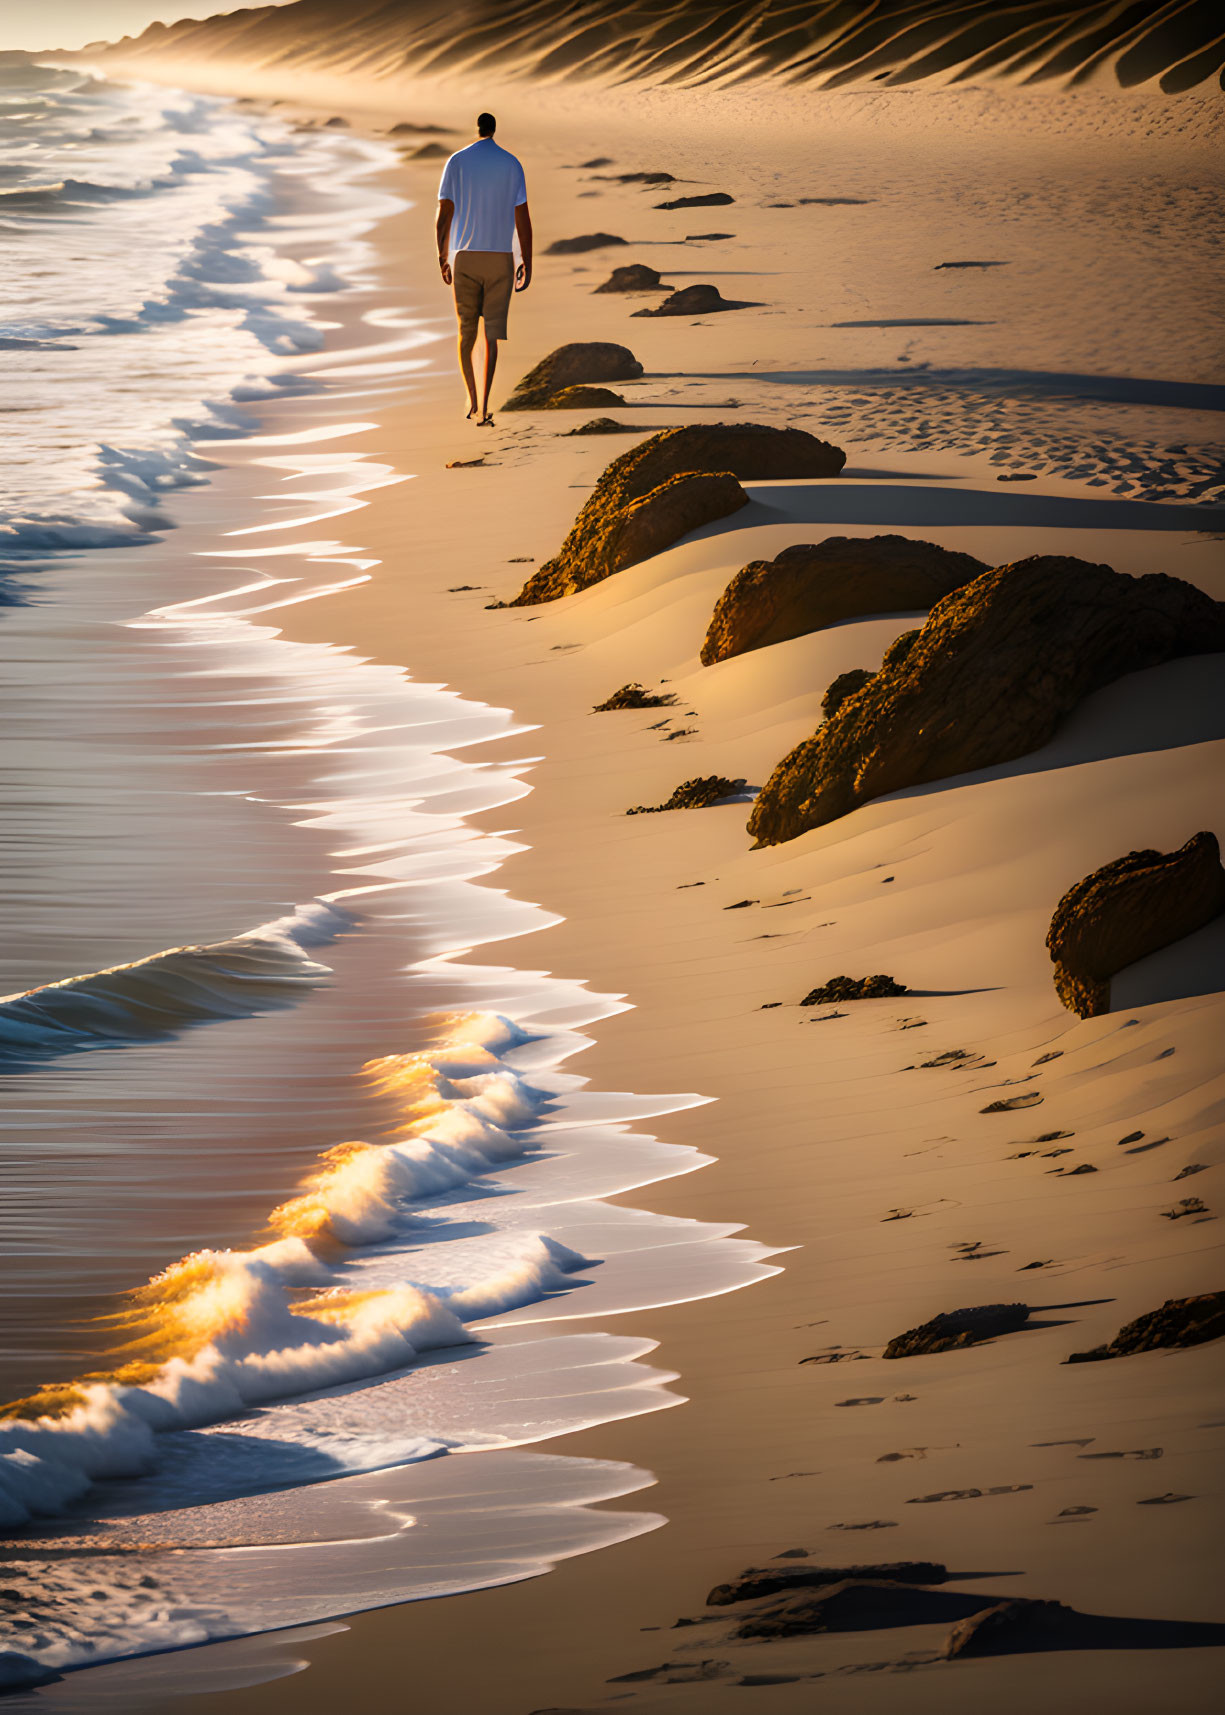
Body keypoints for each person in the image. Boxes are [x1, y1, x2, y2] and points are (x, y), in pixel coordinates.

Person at [436, 113, 533, 425]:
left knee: (466, 333)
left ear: (477, 128)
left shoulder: (456, 161)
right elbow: (523, 218)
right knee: (490, 335)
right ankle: (486, 405)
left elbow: (445, 214)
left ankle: (472, 399)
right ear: (494, 129)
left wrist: (443, 256)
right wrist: (525, 261)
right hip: (500, 258)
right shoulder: (511, 163)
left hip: (464, 257)